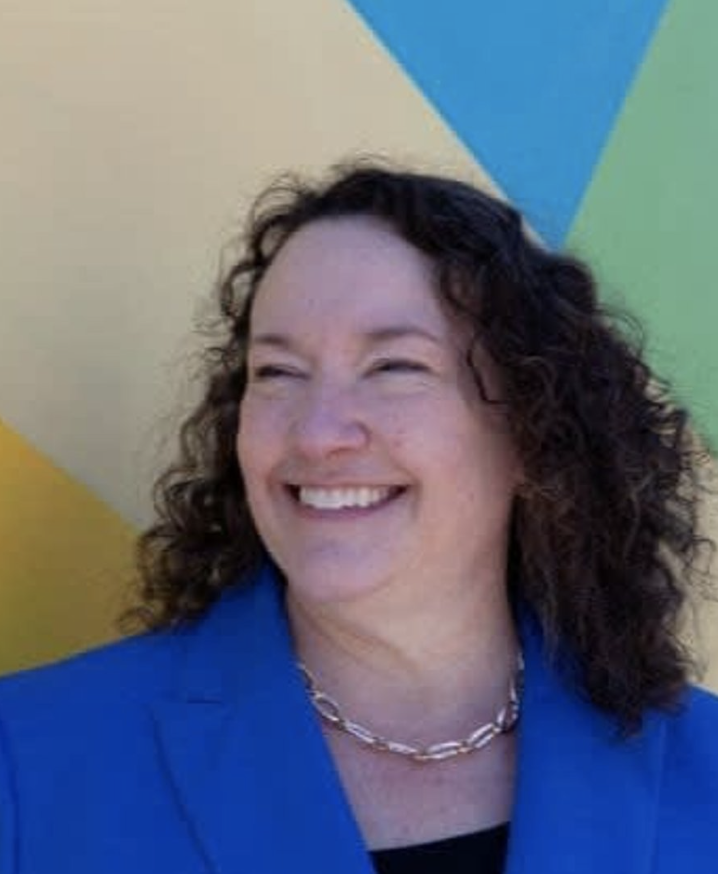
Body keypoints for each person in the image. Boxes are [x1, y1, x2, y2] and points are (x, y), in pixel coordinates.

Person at [0, 163, 716, 874]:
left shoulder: (703, 774)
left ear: (534, 432)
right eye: (276, 373)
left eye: (393, 367)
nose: (317, 434)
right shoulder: (29, 764)